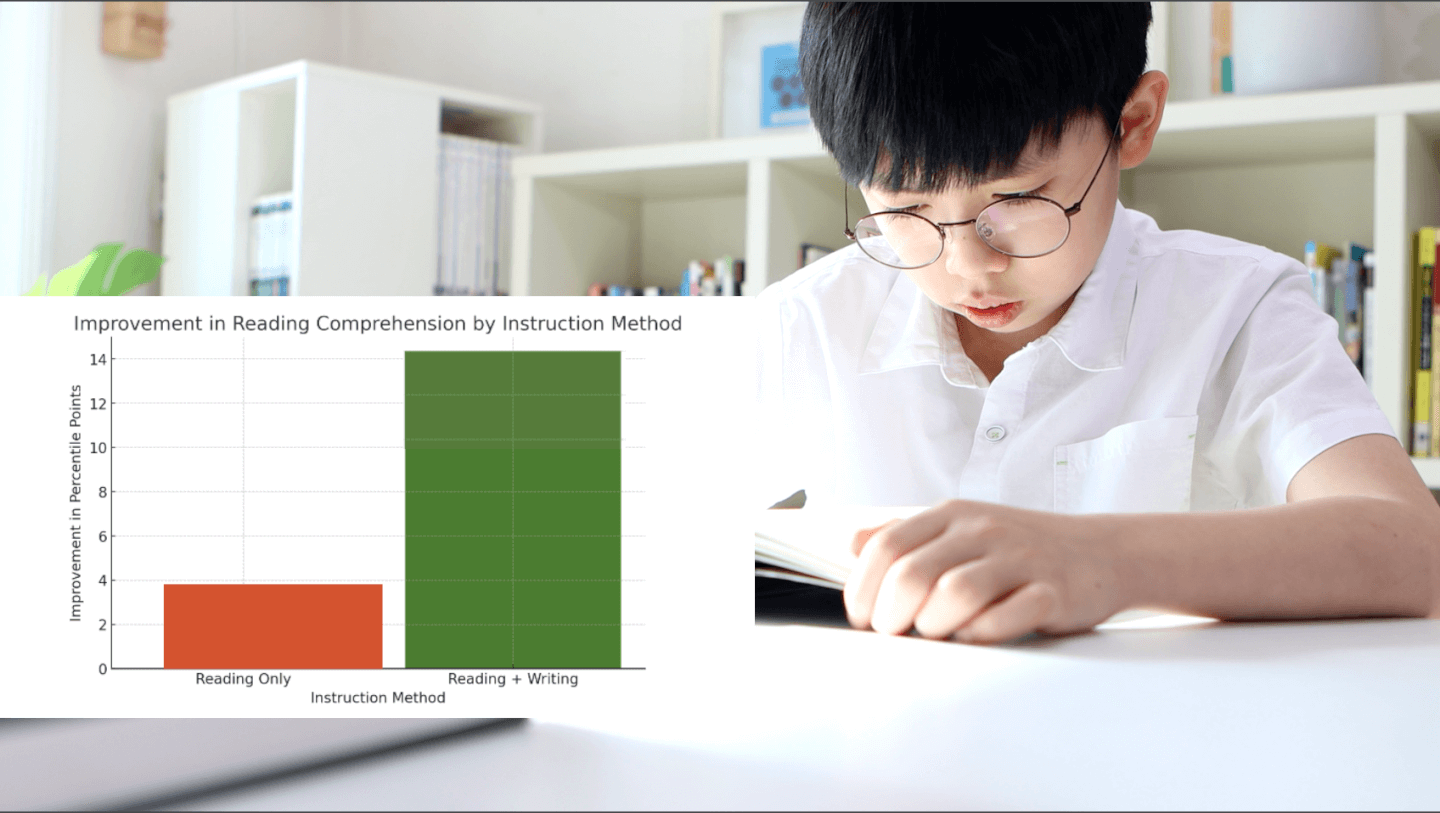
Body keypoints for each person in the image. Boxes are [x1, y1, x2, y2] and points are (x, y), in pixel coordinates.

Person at [756, 2, 1440, 644]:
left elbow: (1414, 550)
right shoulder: (805, 321)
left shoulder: (1238, 310)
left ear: (1133, 122)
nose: (969, 263)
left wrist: (1096, 559)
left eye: (1018, 197)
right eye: (908, 209)